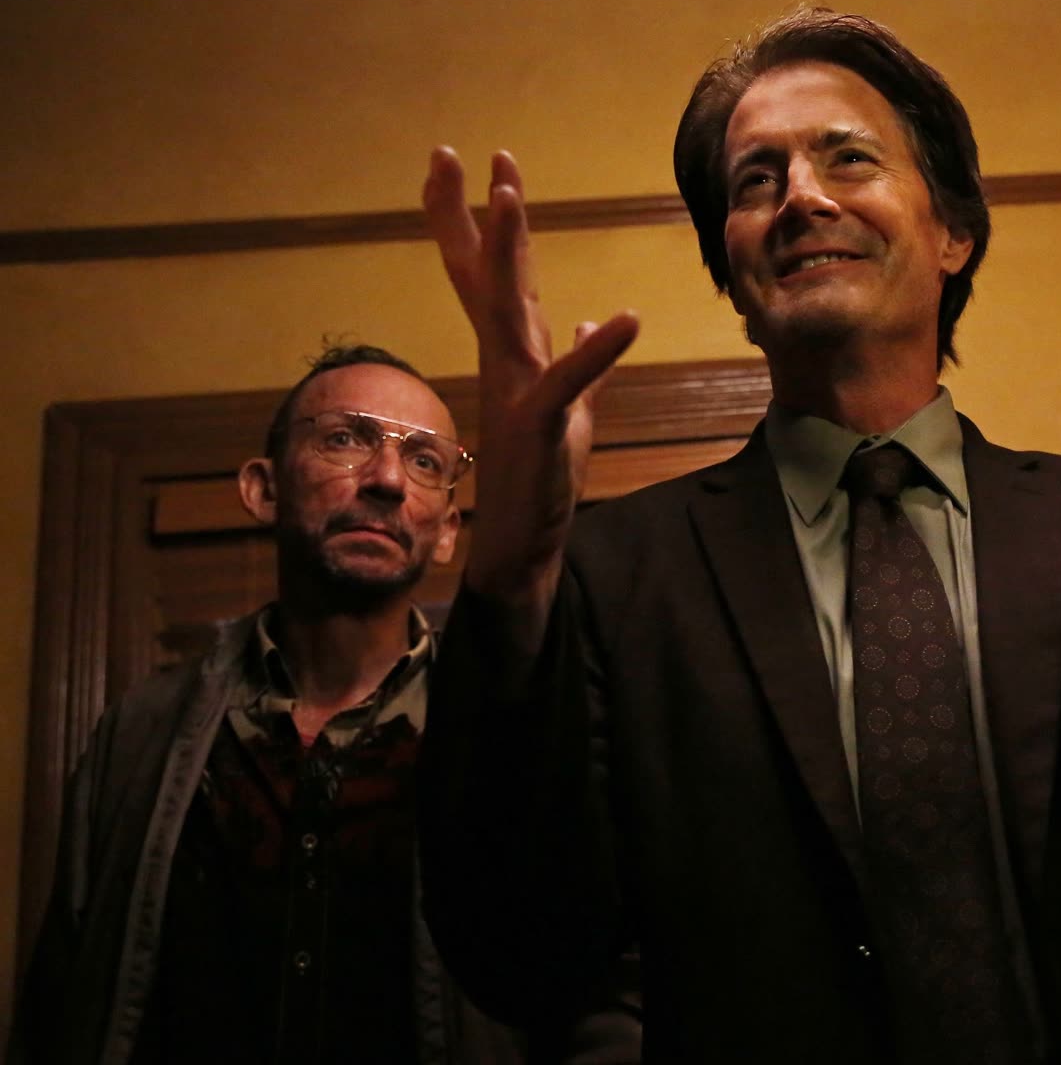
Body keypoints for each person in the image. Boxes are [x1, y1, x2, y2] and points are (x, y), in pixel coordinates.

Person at [416, 7, 1061, 1065]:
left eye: (849, 158)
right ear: (732, 274)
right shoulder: (620, 574)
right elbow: (522, 955)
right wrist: (509, 575)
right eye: (755, 181)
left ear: (952, 232)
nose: (801, 197)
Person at [14, 345, 639, 1064]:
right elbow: (62, 1000)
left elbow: (601, 977)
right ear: (264, 489)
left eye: (424, 460)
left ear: (446, 532)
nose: (387, 480)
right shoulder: (140, 733)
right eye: (345, 438)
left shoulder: (508, 729)